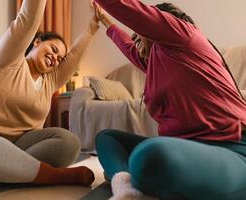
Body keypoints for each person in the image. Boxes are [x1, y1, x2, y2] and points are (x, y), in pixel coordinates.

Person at [92, 1, 246, 199]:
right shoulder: (154, 60)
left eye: (140, 30)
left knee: (150, 156)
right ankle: (125, 187)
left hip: (233, 147)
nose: (134, 35)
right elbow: (127, 45)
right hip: (186, 149)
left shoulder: (184, 36)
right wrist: (104, 19)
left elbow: (129, 10)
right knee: (108, 138)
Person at [0, 0, 101, 193]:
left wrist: (93, 26)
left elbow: (74, 57)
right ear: (36, 42)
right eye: (53, 49)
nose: (55, 58)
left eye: (59, 58)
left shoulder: (49, 81)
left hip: (20, 147)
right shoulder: (9, 60)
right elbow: (28, 18)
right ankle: (52, 175)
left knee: (69, 142)